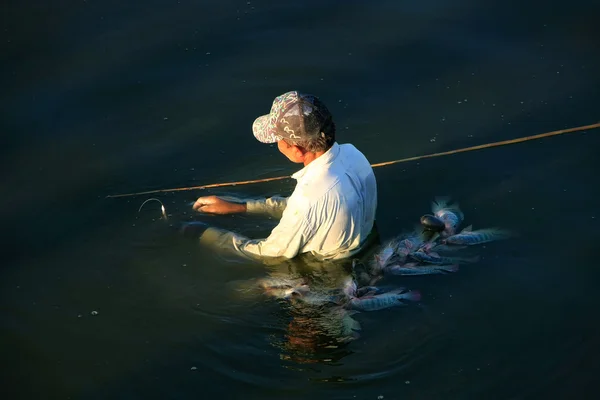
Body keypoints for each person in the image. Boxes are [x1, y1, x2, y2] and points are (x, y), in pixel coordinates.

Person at [190, 90, 378, 261]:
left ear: (297, 150)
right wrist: (241, 207)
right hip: (365, 244)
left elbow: (271, 252)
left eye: (278, 140)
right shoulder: (353, 154)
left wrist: (205, 234)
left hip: (329, 270)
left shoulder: (310, 197)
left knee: (237, 289)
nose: (277, 144)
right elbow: (308, 210)